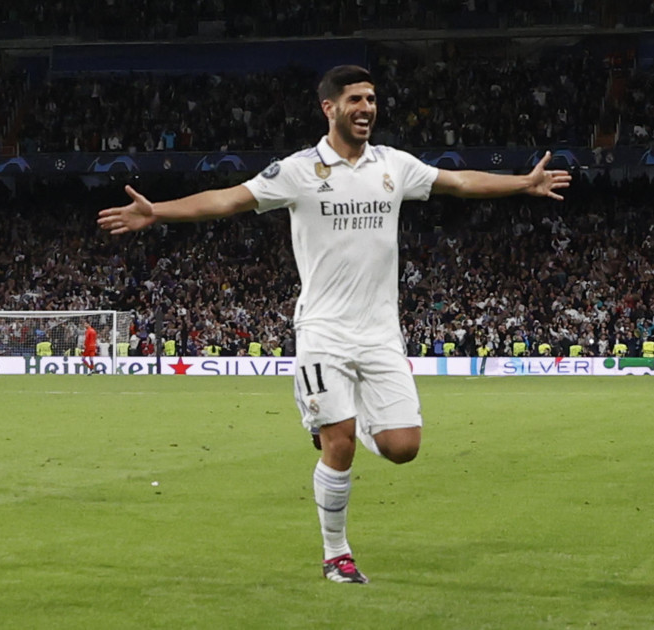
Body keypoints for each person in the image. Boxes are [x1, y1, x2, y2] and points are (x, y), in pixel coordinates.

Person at [98, 65, 571, 584]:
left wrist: (523, 182)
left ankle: (334, 420)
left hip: (381, 333)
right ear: (329, 108)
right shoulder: (299, 171)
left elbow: (458, 182)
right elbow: (229, 199)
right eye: (355, 100)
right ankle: (336, 553)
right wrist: (157, 212)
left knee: (402, 448)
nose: (367, 108)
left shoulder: (394, 165)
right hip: (323, 329)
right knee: (339, 441)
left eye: (371, 99)